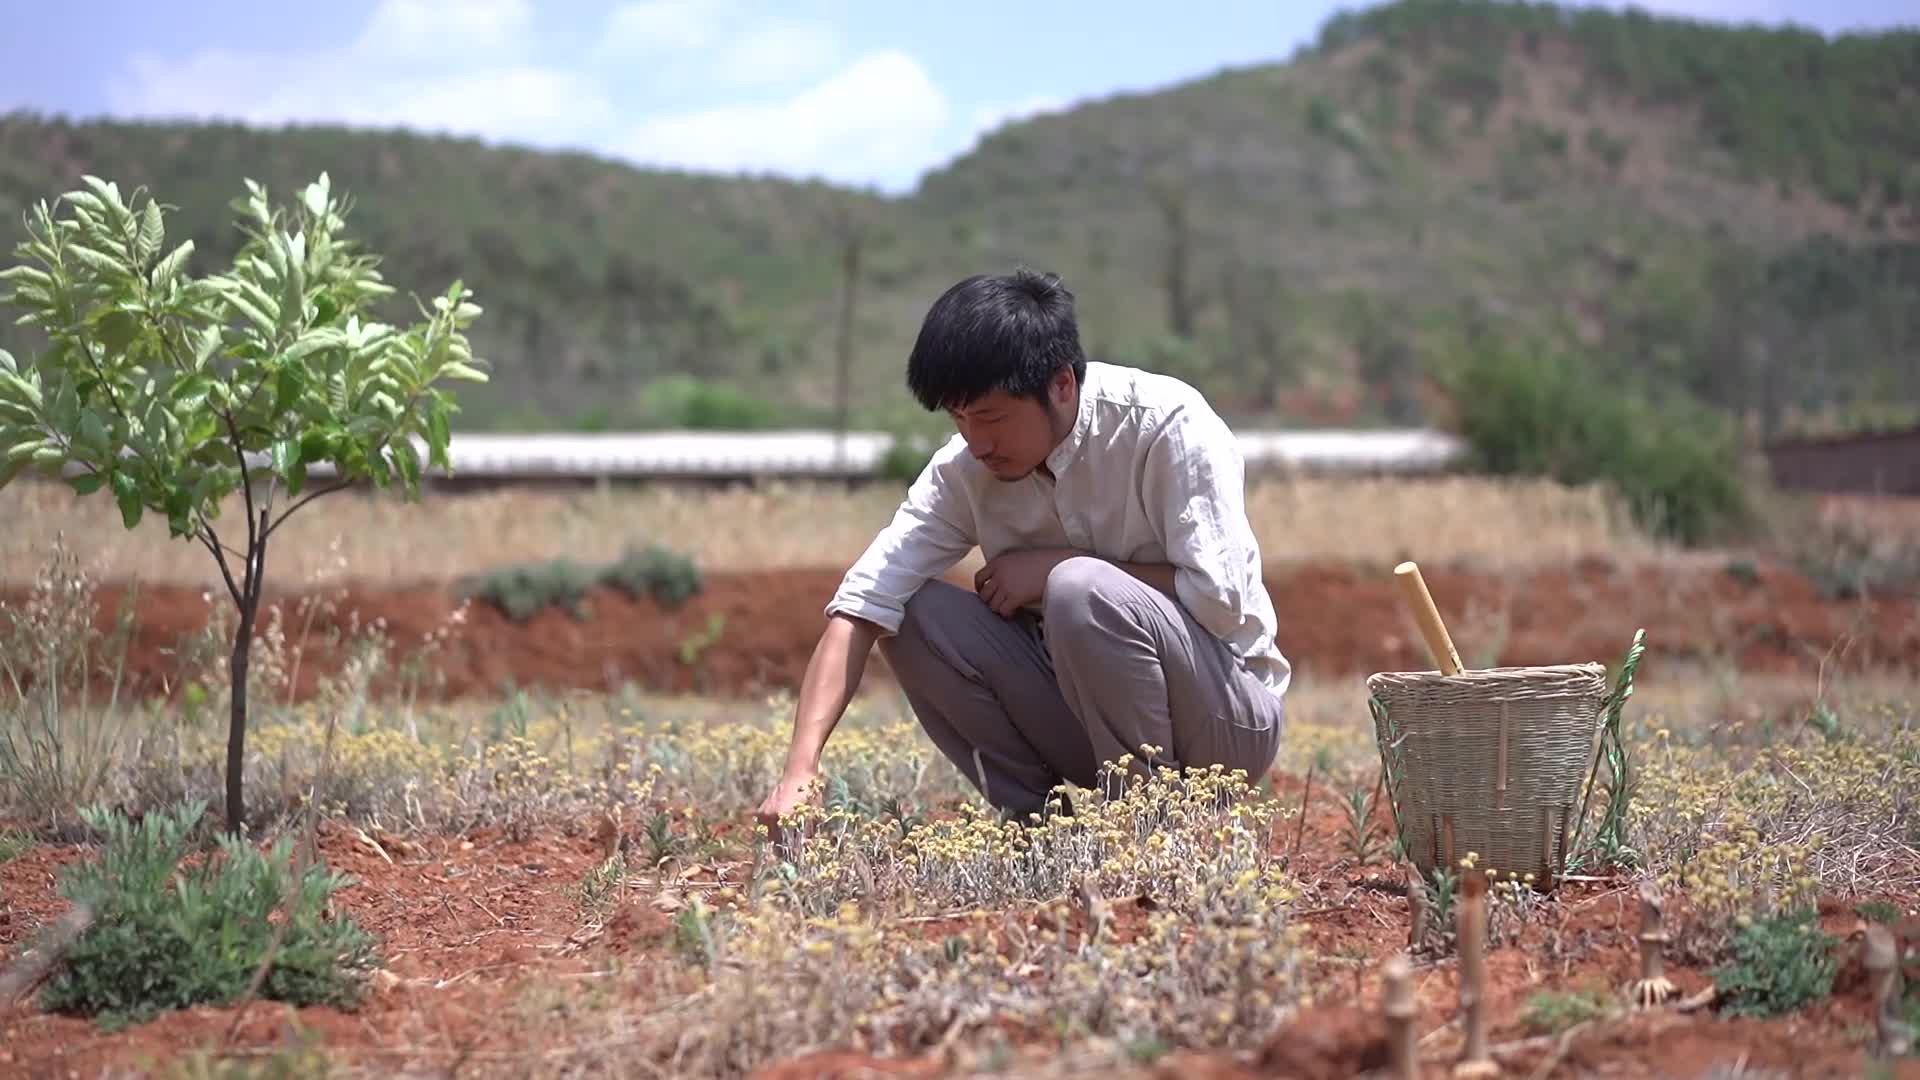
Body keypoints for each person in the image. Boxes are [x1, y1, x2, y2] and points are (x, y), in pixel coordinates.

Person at [753, 268, 1289, 827]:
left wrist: (1059, 567)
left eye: (991, 418)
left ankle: (1149, 829)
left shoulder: (1166, 426)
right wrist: (800, 772)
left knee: (1080, 589)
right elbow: (860, 605)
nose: (976, 442)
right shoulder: (964, 470)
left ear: (1061, 385)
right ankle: (1036, 827)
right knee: (908, 611)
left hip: (1225, 722)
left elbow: (1219, 599)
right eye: (959, 418)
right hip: (1090, 725)